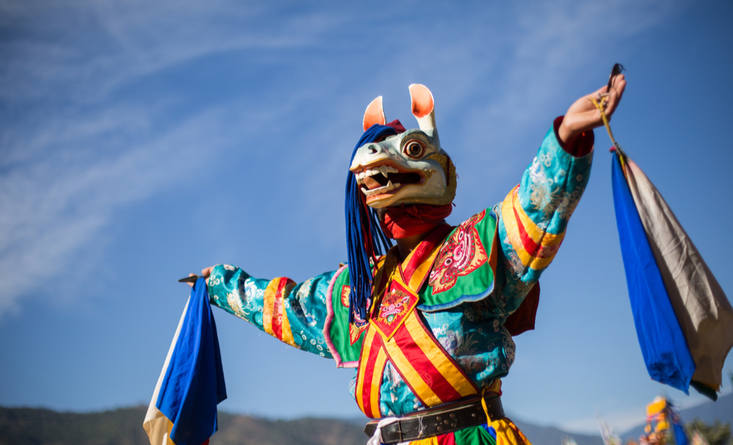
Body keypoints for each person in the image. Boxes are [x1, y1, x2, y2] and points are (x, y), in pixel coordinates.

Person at [189, 75, 626, 445]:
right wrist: (222, 284)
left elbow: (535, 208)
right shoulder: (357, 288)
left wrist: (567, 136)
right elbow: (289, 306)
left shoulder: (480, 244)